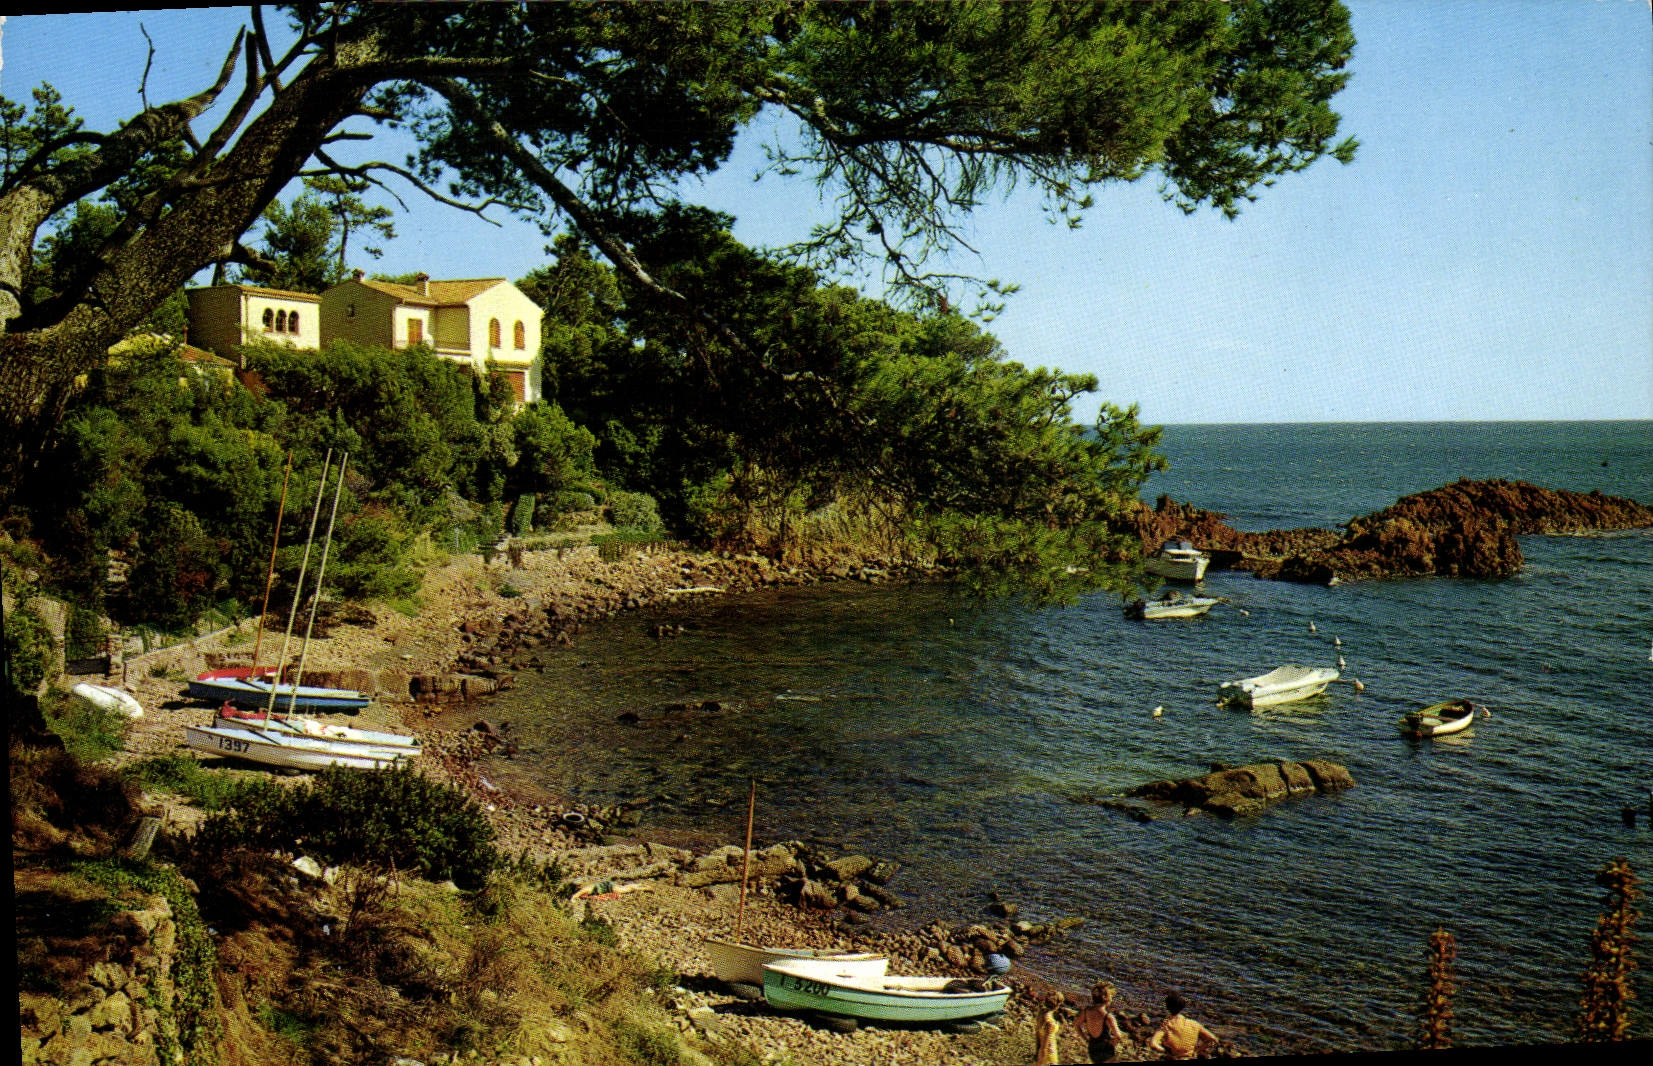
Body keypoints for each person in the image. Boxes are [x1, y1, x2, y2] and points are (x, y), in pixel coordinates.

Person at [1146, 990, 1220, 1060]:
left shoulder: (1167, 1024)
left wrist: (1164, 1050)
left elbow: (1153, 1043)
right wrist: (1197, 1051)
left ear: (1167, 1007)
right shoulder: (1194, 1024)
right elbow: (1214, 1040)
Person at [1075, 981, 1127, 1062]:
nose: (1112, 999)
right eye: (1111, 996)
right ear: (1106, 998)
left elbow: (1076, 1025)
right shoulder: (1108, 1017)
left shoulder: (1086, 1011)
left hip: (1092, 1048)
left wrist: (1085, 1039)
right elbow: (1118, 1036)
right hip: (1105, 1050)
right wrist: (1112, 1045)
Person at [1033, 991, 1064, 1065]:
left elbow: (1037, 1034)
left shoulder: (1041, 1013)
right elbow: (1045, 1046)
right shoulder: (1050, 1023)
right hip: (1049, 1055)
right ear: (1057, 1005)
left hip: (1041, 1051)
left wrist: (1037, 1051)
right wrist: (1040, 1063)